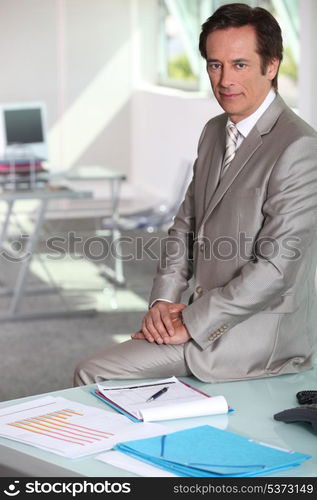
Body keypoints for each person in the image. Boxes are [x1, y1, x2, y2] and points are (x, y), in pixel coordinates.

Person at [74, 3, 317, 386]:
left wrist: (189, 321)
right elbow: (186, 225)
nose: (224, 80)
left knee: (94, 372)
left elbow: (275, 269)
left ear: (271, 66)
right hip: (200, 316)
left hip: (259, 337)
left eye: (239, 64)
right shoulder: (214, 130)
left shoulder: (298, 146)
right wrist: (163, 302)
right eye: (214, 65)